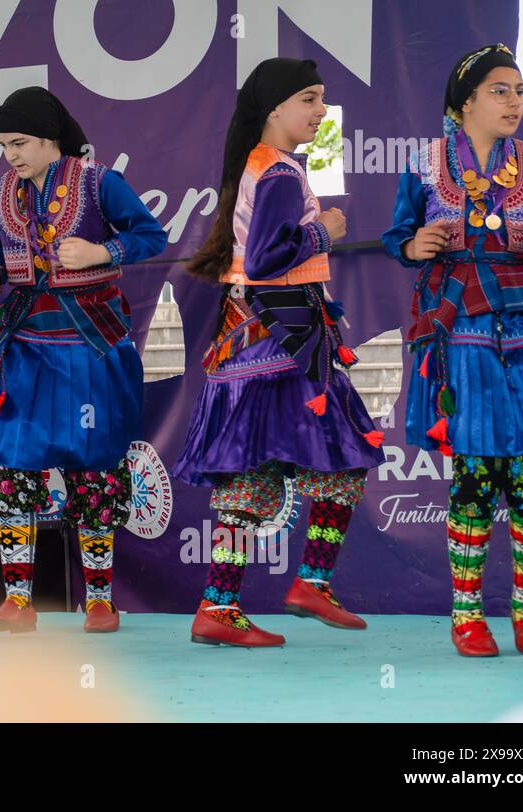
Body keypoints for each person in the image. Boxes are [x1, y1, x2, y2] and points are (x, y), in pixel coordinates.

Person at [174, 57, 385, 648]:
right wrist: (327, 231)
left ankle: (236, 601)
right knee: (321, 465)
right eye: (311, 100)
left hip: (271, 343)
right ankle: (276, 591)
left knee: (270, 473)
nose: (321, 112)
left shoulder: (268, 167)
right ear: (275, 109)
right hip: (279, 344)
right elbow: (268, 260)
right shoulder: (279, 175)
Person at [381, 43, 523, 657]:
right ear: (465, 102)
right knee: (476, 471)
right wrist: (415, 248)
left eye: (520, 91)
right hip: (460, 324)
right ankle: (466, 612)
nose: (514, 101)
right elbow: (397, 234)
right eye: (500, 90)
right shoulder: (427, 162)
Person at [0, 86, 168, 634]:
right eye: (4, 144)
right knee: (13, 467)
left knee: (94, 468)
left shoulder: (100, 182)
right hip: (25, 348)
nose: (11, 154)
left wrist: (104, 251)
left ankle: (100, 599)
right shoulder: (2, 189)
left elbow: (152, 234)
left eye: (21, 142)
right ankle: (18, 601)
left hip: (90, 349)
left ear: (52, 139)